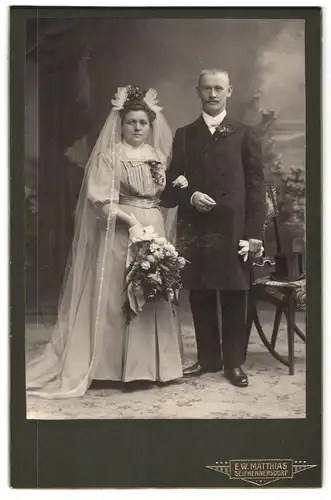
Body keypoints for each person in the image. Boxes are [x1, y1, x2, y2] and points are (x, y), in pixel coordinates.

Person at [26, 84, 187, 399]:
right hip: (121, 230)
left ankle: (152, 368)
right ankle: (110, 368)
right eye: (131, 122)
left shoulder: (157, 156)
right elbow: (99, 199)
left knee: (153, 291)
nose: (137, 128)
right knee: (119, 294)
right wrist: (131, 222)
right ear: (121, 124)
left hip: (153, 227)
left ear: (150, 125)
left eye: (142, 123)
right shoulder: (110, 157)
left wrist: (176, 188)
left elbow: (162, 198)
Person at [162, 69, 266, 387]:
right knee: (200, 293)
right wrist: (190, 195)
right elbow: (168, 189)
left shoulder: (244, 133)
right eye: (207, 89)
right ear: (198, 92)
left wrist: (255, 235)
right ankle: (208, 359)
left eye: (218, 88)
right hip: (197, 228)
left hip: (235, 228)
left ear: (229, 91)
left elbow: (256, 188)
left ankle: (233, 363)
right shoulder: (185, 134)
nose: (213, 94)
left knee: (236, 295)